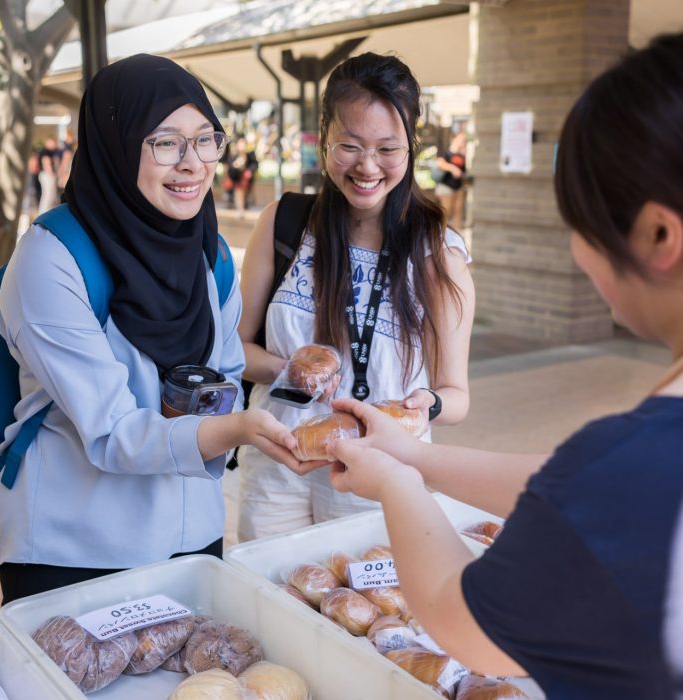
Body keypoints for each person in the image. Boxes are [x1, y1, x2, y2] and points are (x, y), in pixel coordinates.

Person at [293, 32, 683, 700]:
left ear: (657, 234)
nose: (576, 250)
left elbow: (462, 619)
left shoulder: (640, 457)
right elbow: (573, 488)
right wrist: (413, 460)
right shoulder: (636, 461)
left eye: (579, 220)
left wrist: (392, 481)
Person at [0, 53, 301, 605]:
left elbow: (223, 373)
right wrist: (234, 430)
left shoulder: (209, 252)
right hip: (77, 549)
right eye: (165, 142)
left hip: (192, 532)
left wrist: (228, 415)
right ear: (116, 142)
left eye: (206, 139)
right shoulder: (52, 259)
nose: (193, 163)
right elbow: (112, 431)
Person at [236, 52, 475, 542]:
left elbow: (456, 396)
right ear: (324, 135)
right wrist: (290, 369)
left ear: (411, 146)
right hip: (281, 460)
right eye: (349, 145)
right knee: (270, 603)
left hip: (378, 472)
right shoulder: (284, 224)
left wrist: (424, 404)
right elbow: (234, 350)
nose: (367, 167)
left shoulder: (438, 251)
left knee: (362, 614)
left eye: (388, 148)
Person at [434, 130, 467, 231]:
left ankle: (457, 235)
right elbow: (439, 163)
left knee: (457, 212)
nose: (463, 142)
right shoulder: (446, 152)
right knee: (446, 212)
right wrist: (452, 168)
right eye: (461, 139)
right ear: (454, 139)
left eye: (464, 140)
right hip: (446, 187)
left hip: (458, 187)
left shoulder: (462, 155)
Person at [222, 135, 258, 211]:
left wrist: (249, 170)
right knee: (239, 191)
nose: (242, 146)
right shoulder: (233, 155)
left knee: (243, 192)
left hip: (246, 179)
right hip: (236, 178)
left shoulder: (250, 154)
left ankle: (244, 204)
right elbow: (229, 166)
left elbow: (254, 164)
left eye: (243, 144)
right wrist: (235, 165)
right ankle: (240, 208)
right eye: (240, 144)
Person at [37, 135, 59, 214]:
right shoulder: (45, 151)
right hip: (47, 175)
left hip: (47, 175)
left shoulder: (49, 152)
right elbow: (46, 163)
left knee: (50, 196)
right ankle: (43, 213)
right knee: (48, 195)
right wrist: (52, 174)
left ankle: (46, 213)